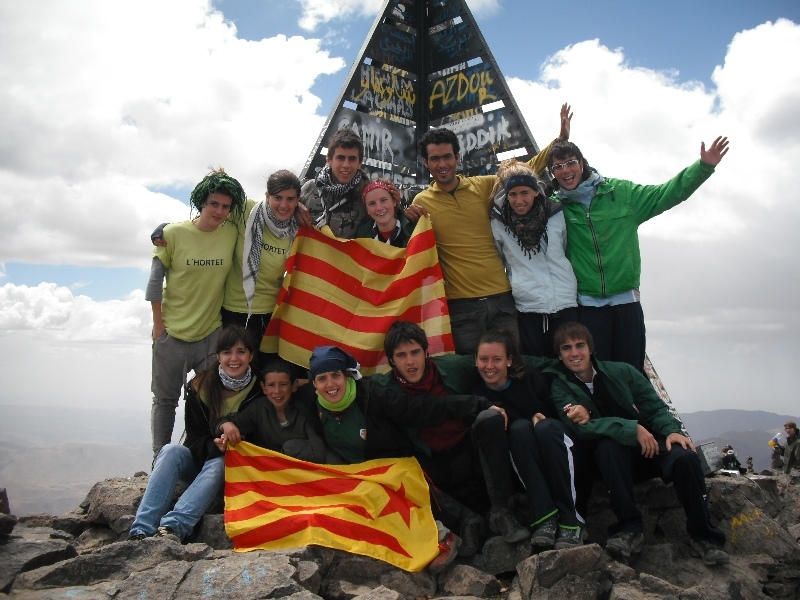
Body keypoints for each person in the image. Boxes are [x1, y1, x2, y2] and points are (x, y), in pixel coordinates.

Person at [301, 345, 506, 570]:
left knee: (399, 482)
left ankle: (463, 523)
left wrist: (478, 405)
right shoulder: (312, 405)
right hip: (357, 476)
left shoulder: (371, 394)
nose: (330, 385)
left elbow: (420, 409)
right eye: (322, 379)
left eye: (336, 376)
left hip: (396, 467)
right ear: (314, 384)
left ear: (346, 375)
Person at [544, 322, 729, 565]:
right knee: (608, 448)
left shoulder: (624, 372)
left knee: (685, 456)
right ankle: (629, 528)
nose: (574, 353)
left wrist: (672, 431)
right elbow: (581, 428)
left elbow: (654, 406)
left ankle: (704, 536)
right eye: (566, 348)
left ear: (591, 349)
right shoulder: (560, 386)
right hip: (612, 461)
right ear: (559, 355)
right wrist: (631, 429)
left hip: (650, 446)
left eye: (580, 345)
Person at [545, 136, 730, 371]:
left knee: (630, 372)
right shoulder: (555, 207)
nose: (565, 171)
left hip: (626, 303)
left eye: (570, 163)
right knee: (597, 374)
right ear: (553, 173)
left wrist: (703, 168)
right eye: (557, 167)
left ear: (582, 163)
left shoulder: (621, 193)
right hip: (587, 306)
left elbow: (667, 193)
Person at [410, 104, 572, 354]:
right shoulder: (421, 202)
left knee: (513, 367)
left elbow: (525, 170)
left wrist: (559, 141)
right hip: (461, 307)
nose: (442, 164)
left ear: (457, 157)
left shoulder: (483, 187)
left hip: (502, 299)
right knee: (475, 373)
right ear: (425, 162)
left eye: (447, 157)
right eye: (435, 159)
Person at [371, 320, 524, 555]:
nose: (410, 362)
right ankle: (466, 520)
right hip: (430, 462)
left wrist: (562, 371)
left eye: (415, 353)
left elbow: (499, 364)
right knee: (397, 471)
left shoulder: (452, 367)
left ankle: (502, 512)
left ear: (426, 352)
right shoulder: (384, 388)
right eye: (401, 355)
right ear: (391, 361)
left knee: (490, 418)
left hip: (468, 448)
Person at [129, 326, 261, 542]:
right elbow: (194, 439)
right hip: (201, 462)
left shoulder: (260, 388)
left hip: (237, 471)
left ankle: (173, 528)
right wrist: (214, 446)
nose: (234, 359)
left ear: (251, 355)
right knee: (171, 450)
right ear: (218, 356)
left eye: (241, 352)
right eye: (227, 352)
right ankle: (141, 530)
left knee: (221, 462)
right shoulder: (200, 387)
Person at [146, 169, 245, 459]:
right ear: (201, 201)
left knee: (209, 400)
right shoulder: (173, 234)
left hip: (210, 335)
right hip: (172, 336)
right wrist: (158, 328)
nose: (220, 211)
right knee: (165, 401)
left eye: (226, 206)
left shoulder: (230, 232)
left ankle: (197, 456)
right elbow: (154, 284)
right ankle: (159, 460)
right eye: (214, 204)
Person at [473, 329, 583, 550]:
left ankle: (571, 518)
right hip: (520, 456)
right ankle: (545, 517)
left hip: (554, 444)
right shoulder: (477, 395)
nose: (489, 366)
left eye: (497, 359)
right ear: (475, 361)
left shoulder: (530, 378)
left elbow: (555, 412)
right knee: (519, 428)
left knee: (544, 428)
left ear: (509, 361)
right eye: (483, 359)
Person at [489, 161, 578, 357]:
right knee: (538, 365)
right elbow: (502, 258)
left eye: (524, 193)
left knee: (569, 363)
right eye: (513, 194)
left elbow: (563, 247)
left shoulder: (555, 213)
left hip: (564, 300)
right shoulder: (499, 221)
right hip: (528, 304)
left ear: (536, 191)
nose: (519, 200)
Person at [221, 170, 302, 348]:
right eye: (278, 197)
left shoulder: (298, 227)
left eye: (291, 199)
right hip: (232, 311)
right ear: (267, 196)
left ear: (298, 201)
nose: (284, 205)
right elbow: (211, 214)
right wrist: (165, 229)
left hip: (270, 315)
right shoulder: (246, 210)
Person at [214, 359, 326, 463]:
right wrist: (226, 425)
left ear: (294, 386)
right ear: (263, 387)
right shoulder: (258, 408)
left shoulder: (305, 408)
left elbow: (318, 454)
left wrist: (286, 452)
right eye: (271, 385)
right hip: (267, 473)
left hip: (299, 471)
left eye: (283, 385)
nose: (277, 391)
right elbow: (218, 427)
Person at [302, 128, 370, 239]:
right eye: (341, 158)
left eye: (352, 159)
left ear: (359, 163)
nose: (346, 165)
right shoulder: (309, 189)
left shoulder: (367, 196)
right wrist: (295, 208)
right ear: (329, 160)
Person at [355, 179, 415, 247]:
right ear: (366, 209)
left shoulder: (414, 230)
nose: (379, 208)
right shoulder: (361, 235)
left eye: (383, 200)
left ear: (394, 201)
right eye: (372, 204)